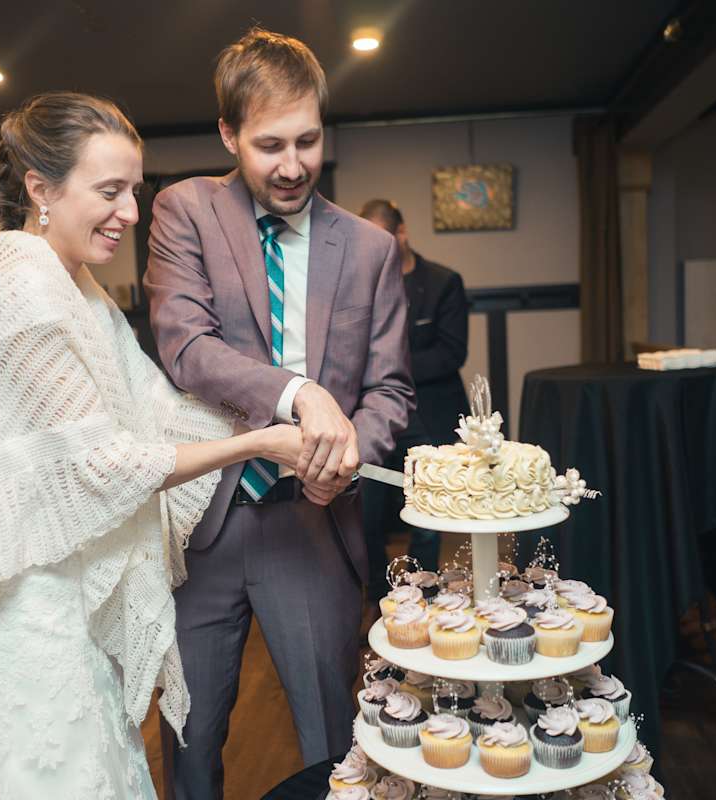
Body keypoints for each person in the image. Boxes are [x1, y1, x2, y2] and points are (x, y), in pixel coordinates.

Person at [0, 92, 303, 800]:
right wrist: (259, 442)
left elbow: (157, 410)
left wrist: (271, 409)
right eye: (110, 191)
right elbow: (106, 465)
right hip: (32, 611)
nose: (131, 213)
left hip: (69, 596)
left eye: (134, 192)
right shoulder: (20, 295)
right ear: (41, 189)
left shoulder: (73, 286)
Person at [145, 28, 415, 800]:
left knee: (335, 748)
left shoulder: (369, 249)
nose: (293, 166)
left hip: (312, 524)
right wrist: (301, 393)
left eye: (308, 141)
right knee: (190, 739)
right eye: (269, 145)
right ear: (228, 134)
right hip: (204, 523)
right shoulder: (184, 211)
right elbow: (186, 346)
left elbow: (391, 391)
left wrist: (346, 455)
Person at [358, 199, 469, 615]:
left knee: (427, 513)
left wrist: (388, 368)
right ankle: (378, 597)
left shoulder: (443, 282)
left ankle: (421, 595)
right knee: (366, 512)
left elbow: (451, 353)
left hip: (428, 411)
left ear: (401, 234)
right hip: (373, 415)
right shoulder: (358, 286)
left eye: (381, 240)